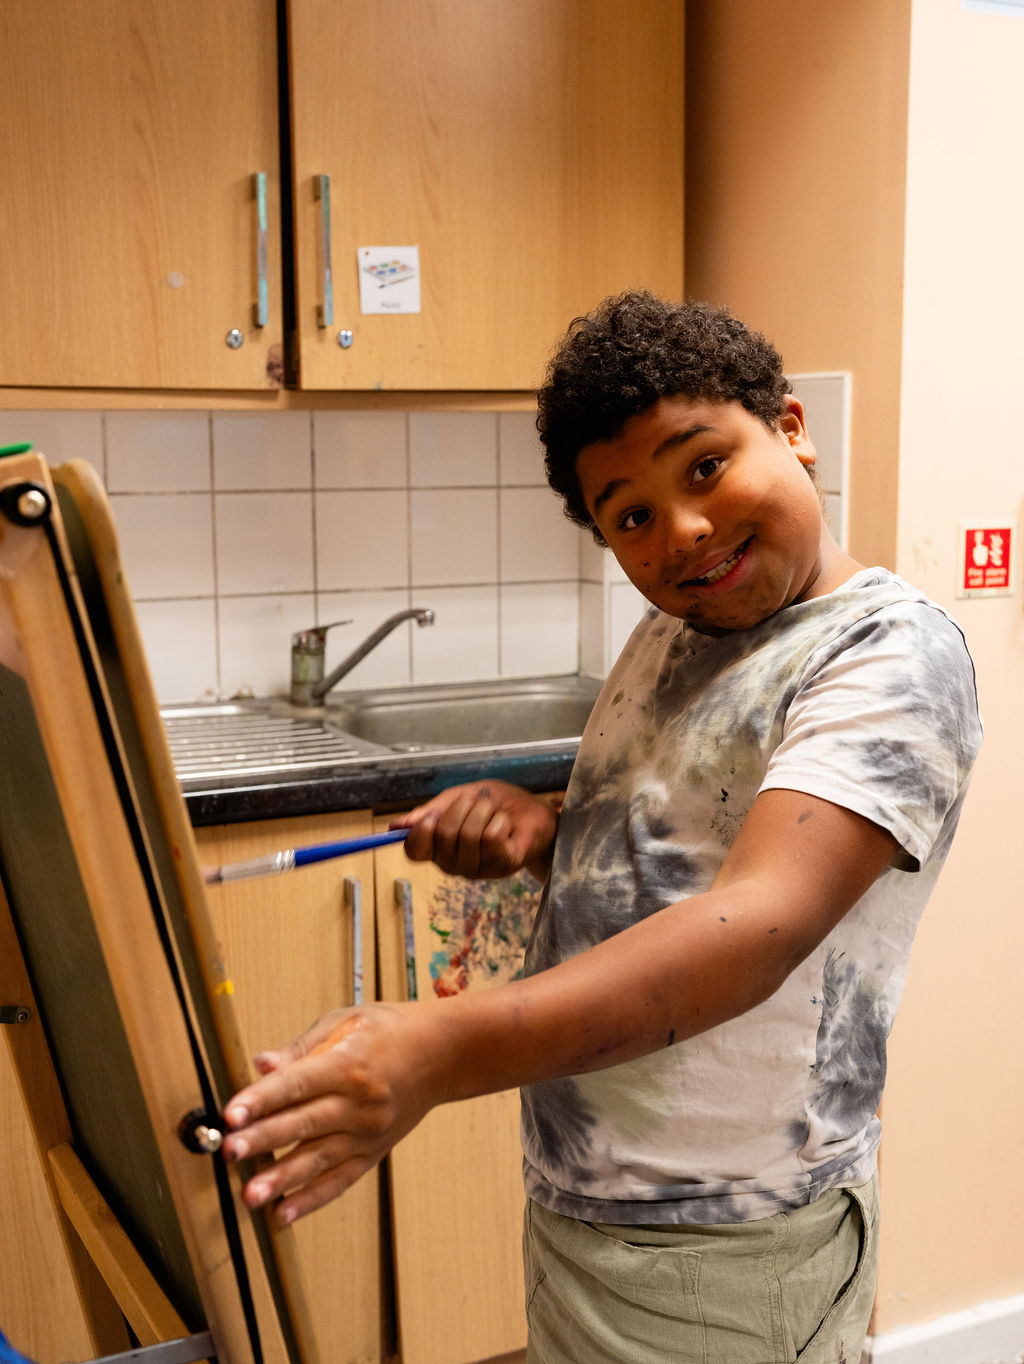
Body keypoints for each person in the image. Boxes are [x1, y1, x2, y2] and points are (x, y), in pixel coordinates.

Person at [221, 292, 982, 1362]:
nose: (680, 529)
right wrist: (546, 829)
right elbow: (690, 824)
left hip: (729, 1231)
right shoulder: (681, 627)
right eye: (629, 514)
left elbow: (756, 920)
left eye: (704, 465)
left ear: (793, 429)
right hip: (595, 1193)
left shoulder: (888, 654)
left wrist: (436, 1048)